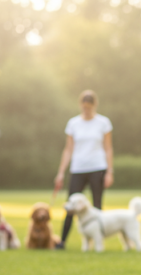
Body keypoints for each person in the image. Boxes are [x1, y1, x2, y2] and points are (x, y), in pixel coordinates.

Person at [54, 90, 114, 249]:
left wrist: (109, 171)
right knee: (70, 206)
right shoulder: (73, 123)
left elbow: (108, 148)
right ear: (80, 105)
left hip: (98, 167)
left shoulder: (103, 122)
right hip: (78, 168)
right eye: (84, 107)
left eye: (89, 107)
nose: (86, 110)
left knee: (97, 206)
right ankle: (62, 241)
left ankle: (97, 242)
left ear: (94, 105)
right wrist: (61, 172)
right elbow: (68, 149)